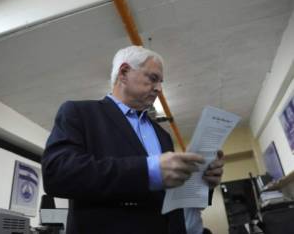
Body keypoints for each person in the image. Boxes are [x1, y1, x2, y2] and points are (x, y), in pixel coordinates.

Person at [41, 46, 224, 234]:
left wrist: (202, 183)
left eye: (161, 82)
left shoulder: (162, 134)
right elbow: (57, 174)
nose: (159, 89)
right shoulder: (80, 113)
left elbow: (169, 200)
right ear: (124, 72)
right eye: (153, 78)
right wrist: (149, 170)